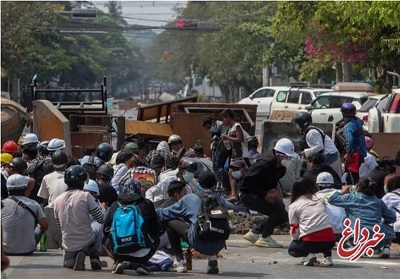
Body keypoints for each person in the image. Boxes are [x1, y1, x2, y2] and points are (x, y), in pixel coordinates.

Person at [156, 180, 226, 274]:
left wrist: (147, 209)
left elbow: (164, 214)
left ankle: (179, 260)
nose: (186, 193)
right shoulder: (220, 200)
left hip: (199, 243)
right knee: (212, 225)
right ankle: (212, 257)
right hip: (219, 245)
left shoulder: (190, 199)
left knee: (171, 222)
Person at [239, 138, 295, 248]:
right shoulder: (264, 165)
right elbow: (245, 183)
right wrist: (264, 194)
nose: (288, 159)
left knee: (284, 215)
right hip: (248, 195)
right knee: (278, 207)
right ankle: (265, 237)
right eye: (287, 156)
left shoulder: (281, 169)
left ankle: (255, 232)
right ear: (278, 154)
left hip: (258, 194)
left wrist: (271, 191)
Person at [328, 177, 396, 258]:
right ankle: (386, 247)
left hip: (357, 238)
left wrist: (342, 192)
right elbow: (392, 218)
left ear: (358, 187)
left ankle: (357, 248)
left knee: (345, 220)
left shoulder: (352, 198)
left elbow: (332, 199)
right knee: (389, 226)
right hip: (379, 239)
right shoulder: (378, 201)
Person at [53, 165, 105, 271]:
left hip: (68, 243)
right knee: (94, 233)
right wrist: (103, 210)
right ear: (82, 181)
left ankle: (72, 261)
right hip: (87, 241)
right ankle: (94, 257)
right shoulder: (86, 196)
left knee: (67, 262)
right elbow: (100, 219)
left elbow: (60, 226)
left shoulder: (57, 200)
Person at [103, 183, 160, 275]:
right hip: (142, 254)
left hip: (119, 251)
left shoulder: (115, 205)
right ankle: (141, 264)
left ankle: (118, 261)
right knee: (157, 238)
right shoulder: (147, 203)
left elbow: (105, 230)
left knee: (104, 239)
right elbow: (155, 230)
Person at [288, 178, 336, 266]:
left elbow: (294, 228)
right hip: (330, 240)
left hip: (309, 242)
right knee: (323, 229)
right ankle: (328, 257)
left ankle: (308, 255)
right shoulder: (320, 200)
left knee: (292, 249)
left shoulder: (293, 206)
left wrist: (295, 241)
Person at [2, 174, 48, 255]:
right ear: (25, 188)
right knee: (40, 226)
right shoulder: (34, 204)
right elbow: (44, 225)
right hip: (28, 250)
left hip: (5, 250)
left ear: (8, 189)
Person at [293, 112, 342, 177]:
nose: (297, 127)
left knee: (320, 175)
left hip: (330, 155)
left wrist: (306, 152)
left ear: (304, 124)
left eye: (298, 125)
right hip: (329, 154)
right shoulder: (310, 131)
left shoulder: (311, 133)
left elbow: (320, 146)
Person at [339, 103, 367, 185]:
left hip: (353, 154)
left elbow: (349, 140)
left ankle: (353, 193)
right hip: (360, 152)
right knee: (355, 175)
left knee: (351, 177)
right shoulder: (357, 122)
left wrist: (348, 153)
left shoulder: (348, 126)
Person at [314, 172, 345, 237]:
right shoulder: (342, 193)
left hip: (325, 231)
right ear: (332, 185)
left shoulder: (314, 197)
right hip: (343, 230)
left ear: (317, 185)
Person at [381, 174, 400, 250]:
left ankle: (386, 246)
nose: (384, 186)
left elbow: (379, 211)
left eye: (385, 184)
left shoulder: (389, 196)